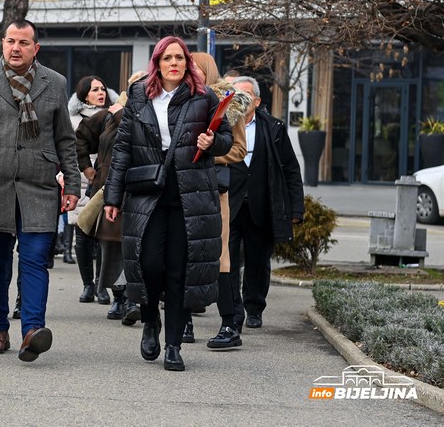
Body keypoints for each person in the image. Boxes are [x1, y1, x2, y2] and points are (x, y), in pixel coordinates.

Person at [0, 19, 81, 363]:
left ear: (35, 48)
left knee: (36, 259)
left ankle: (32, 332)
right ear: (2, 44)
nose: (16, 48)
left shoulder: (55, 83)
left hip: (39, 187)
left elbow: (66, 138)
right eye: (10, 41)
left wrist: (73, 182)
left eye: (24, 42)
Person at [103, 36, 232, 371]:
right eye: (167, 58)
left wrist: (213, 140)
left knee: (179, 270)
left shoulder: (204, 95)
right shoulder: (139, 95)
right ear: (157, 63)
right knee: (147, 264)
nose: (174, 63)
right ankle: (150, 322)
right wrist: (113, 196)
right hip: (148, 192)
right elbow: (122, 150)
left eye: (180, 57)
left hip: (189, 195)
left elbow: (227, 139)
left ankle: (173, 345)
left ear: (187, 62)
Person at [228, 76, 304, 330]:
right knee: (225, 259)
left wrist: (295, 209)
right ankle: (231, 308)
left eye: (246, 96)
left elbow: (291, 170)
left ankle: (254, 308)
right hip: (230, 203)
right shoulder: (221, 126)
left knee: (258, 261)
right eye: (236, 95)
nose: (241, 100)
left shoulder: (274, 128)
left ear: (257, 101)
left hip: (261, 205)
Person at [185, 53, 250, 349]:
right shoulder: (179, 98)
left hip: (213, 190)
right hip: (183, 187)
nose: (190, 70)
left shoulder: (228, 101)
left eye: (195, 66)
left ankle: (229, 324)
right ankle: (183, 321)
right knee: (183, 254)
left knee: (220, 256)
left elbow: (239, 150)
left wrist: (209, 152)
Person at [75, 71, 147, 325]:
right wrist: (86, 167)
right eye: (136, 86)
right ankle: (117, 296)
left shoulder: (146, 113)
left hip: (140, 190)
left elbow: (142, 135)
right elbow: (81, 136)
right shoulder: (108, 116)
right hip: (109, 190)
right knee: (109, 245)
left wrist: (119, 113)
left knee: (136, 247)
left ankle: (132, 298)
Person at [67, 75, 117, 303]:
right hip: (80, 180)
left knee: (104, 234)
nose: (101, 93)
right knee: (83, 233)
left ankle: (101, 284)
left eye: (103, 88)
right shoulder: (73, 120)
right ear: (84, 94)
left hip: (106, 180)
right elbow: (66, 151)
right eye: (95, 89)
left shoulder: (113, 116)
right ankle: (87, 284)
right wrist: (83, 170)